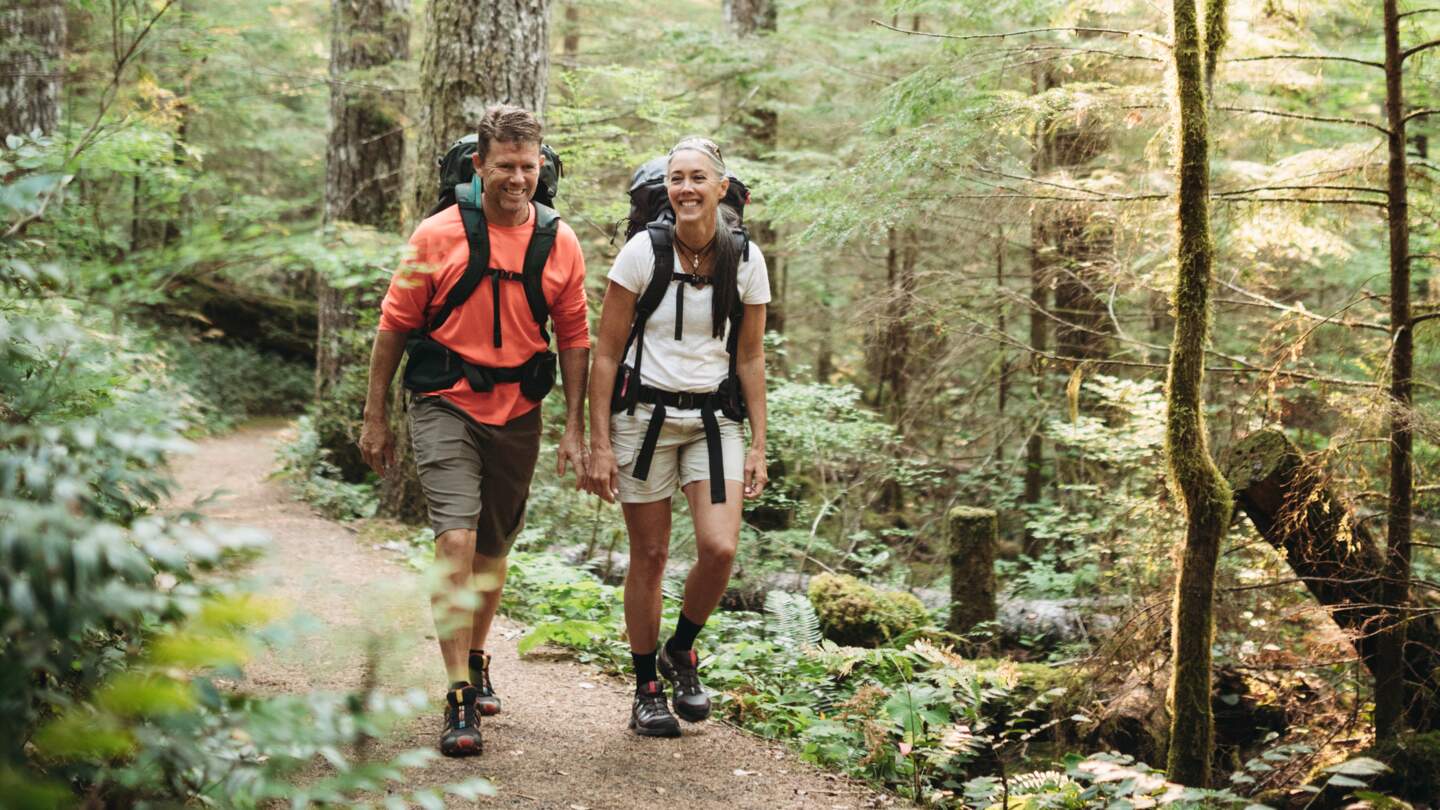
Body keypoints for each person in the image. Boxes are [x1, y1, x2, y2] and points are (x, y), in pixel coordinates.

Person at [359, 105, 590, 757]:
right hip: (444, 401)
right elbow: (394, 325)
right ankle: (459, 692)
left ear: (541, 167)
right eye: (505, 166)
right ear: (479, 166)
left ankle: (479, 655)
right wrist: (375, 416)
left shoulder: (560, 241)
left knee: (492, 548)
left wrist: (576, 428)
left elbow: (574, 336)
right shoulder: (436, 235)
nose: (517, 178)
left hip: (519, 410)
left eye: (528, 166)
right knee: (455, 539)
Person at [585, 137, 769, 737]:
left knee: (719, 549)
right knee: (651, 555)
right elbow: (606, 353)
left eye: (697, 178)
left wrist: (760, 444)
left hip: (715, 422)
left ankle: (681, 648)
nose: (686, 189)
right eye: (676, 178)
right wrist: (599, 444)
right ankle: (646, 689)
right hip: (643, 422)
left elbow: (751, 359)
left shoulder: (746, 259)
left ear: (722, 187)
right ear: (666, 188)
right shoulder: (643, 251)